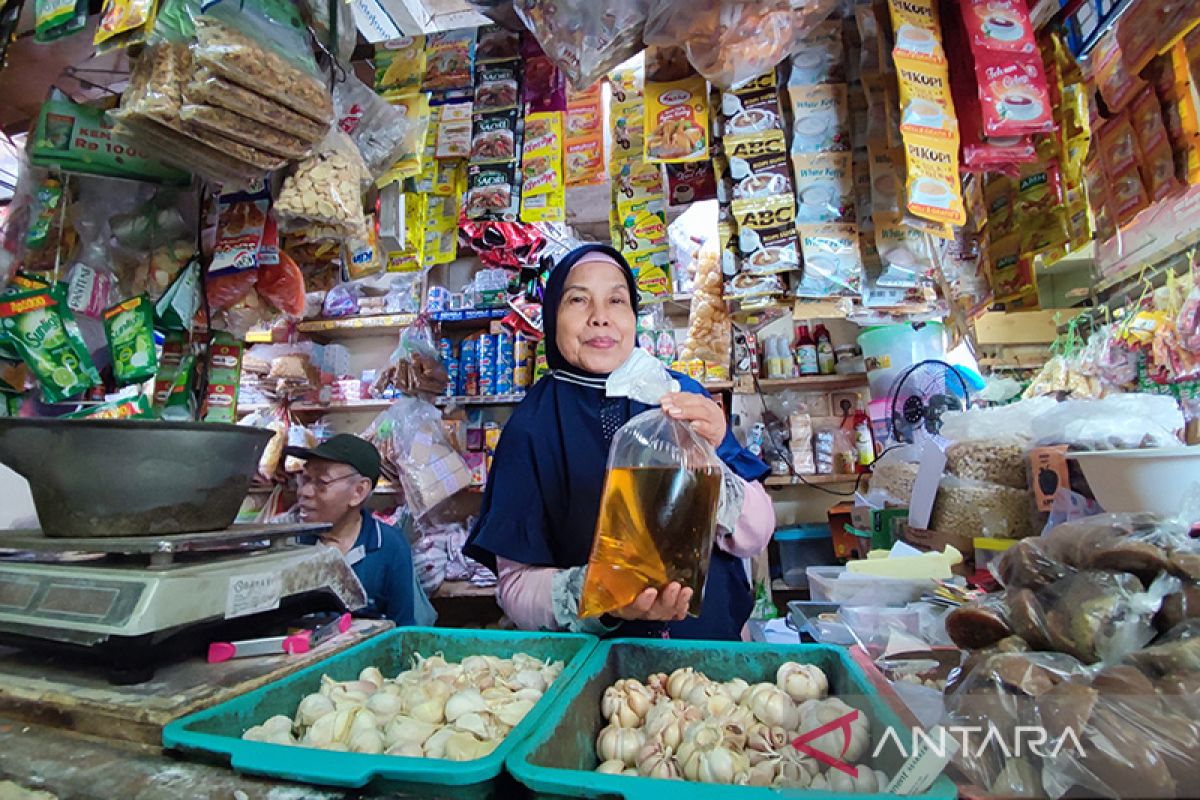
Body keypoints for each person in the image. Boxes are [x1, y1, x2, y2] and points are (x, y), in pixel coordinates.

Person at [464, 244, 775, 640]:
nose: (600, 318)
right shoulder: (532, 427)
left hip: (711, 654)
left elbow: (757, 534)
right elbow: (516, 588)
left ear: (633, 316)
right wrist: (605, 595)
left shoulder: (683, 397)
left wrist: (712, 456)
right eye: (578, 300)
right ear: (551, 317)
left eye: (616, 300)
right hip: (602, 668)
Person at [285, 434, 436, 627]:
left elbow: (403, 630)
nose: (304, 492)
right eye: (304, 479)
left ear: (358, 492)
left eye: (321, 483)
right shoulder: (291, 543)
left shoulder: (389, 547)